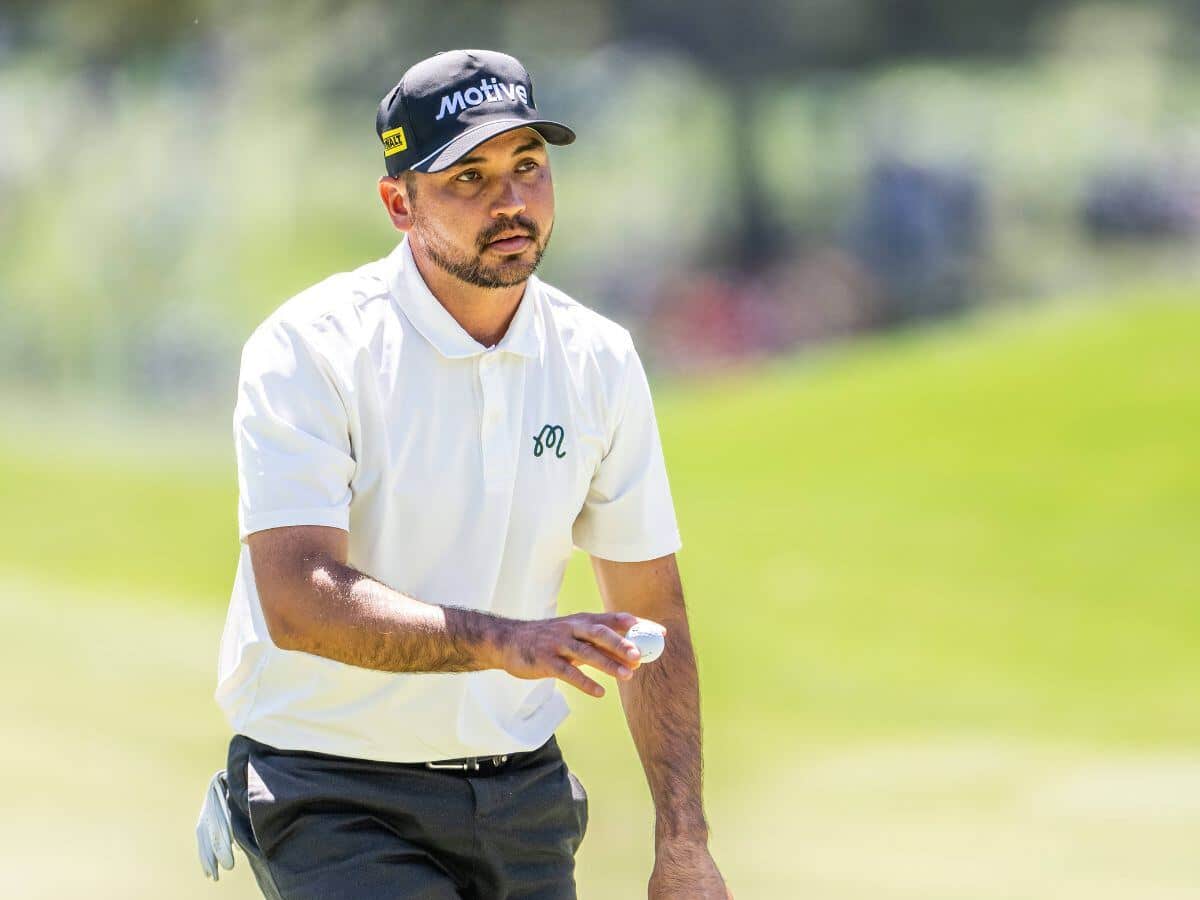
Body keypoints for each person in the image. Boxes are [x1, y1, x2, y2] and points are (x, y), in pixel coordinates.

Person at [200, 48, 730, 899]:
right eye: (468, 177)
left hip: (522, 797)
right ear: (398, 203)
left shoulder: (598, 358)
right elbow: (297, 597)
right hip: (333, 794)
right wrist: (505, 640)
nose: (511, 201)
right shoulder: (310, 347)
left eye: (528, 166)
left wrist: (685, 843)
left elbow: (650, 609)